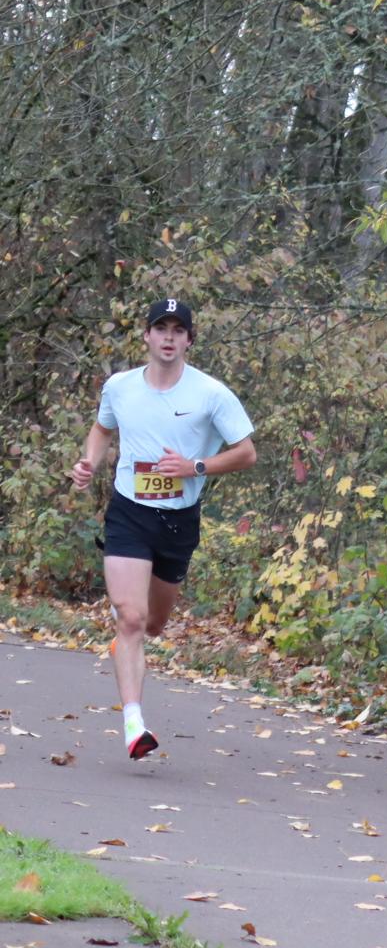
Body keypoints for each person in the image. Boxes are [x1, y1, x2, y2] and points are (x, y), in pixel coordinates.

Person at [69, 298, 256, 759]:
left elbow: (246, 452)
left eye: (178, 330)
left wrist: (195, 466)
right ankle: (134, 726)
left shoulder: (211, 394)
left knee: (152, 624)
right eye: (161, 328)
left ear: (189, 340)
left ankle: (127, 644)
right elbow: (101, 429)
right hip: (129, 513)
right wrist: (89, 463)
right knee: (130, 617)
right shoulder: (120, 387)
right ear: (147, 336)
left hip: (178, 521)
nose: (169, 337)